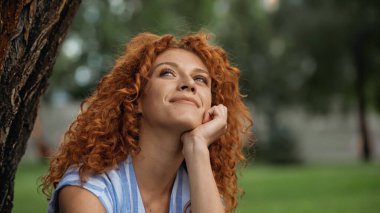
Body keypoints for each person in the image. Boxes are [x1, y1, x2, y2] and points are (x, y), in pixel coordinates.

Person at [41, 32, 252, 213]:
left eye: (200, 79)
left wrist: (197, 147)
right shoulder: (87, 189)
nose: (189, 84)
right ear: (136, 99)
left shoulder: (198, 186)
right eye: (167, 73)